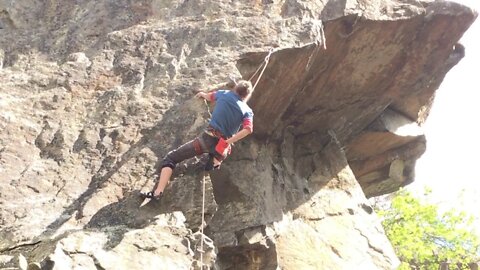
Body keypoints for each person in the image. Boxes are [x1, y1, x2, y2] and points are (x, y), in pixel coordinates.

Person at [141, 80, 254, 200]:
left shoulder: (224, 94)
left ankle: (158, 193)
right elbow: (248, 129)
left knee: (171, 158)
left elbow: (208, 96)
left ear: (235, 89)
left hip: (207, 140)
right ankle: (214, 162)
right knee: (212, 160)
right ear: (247, 95)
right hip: (221, 149)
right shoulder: (248, 111)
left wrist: (201, 94)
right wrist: (229, 141)